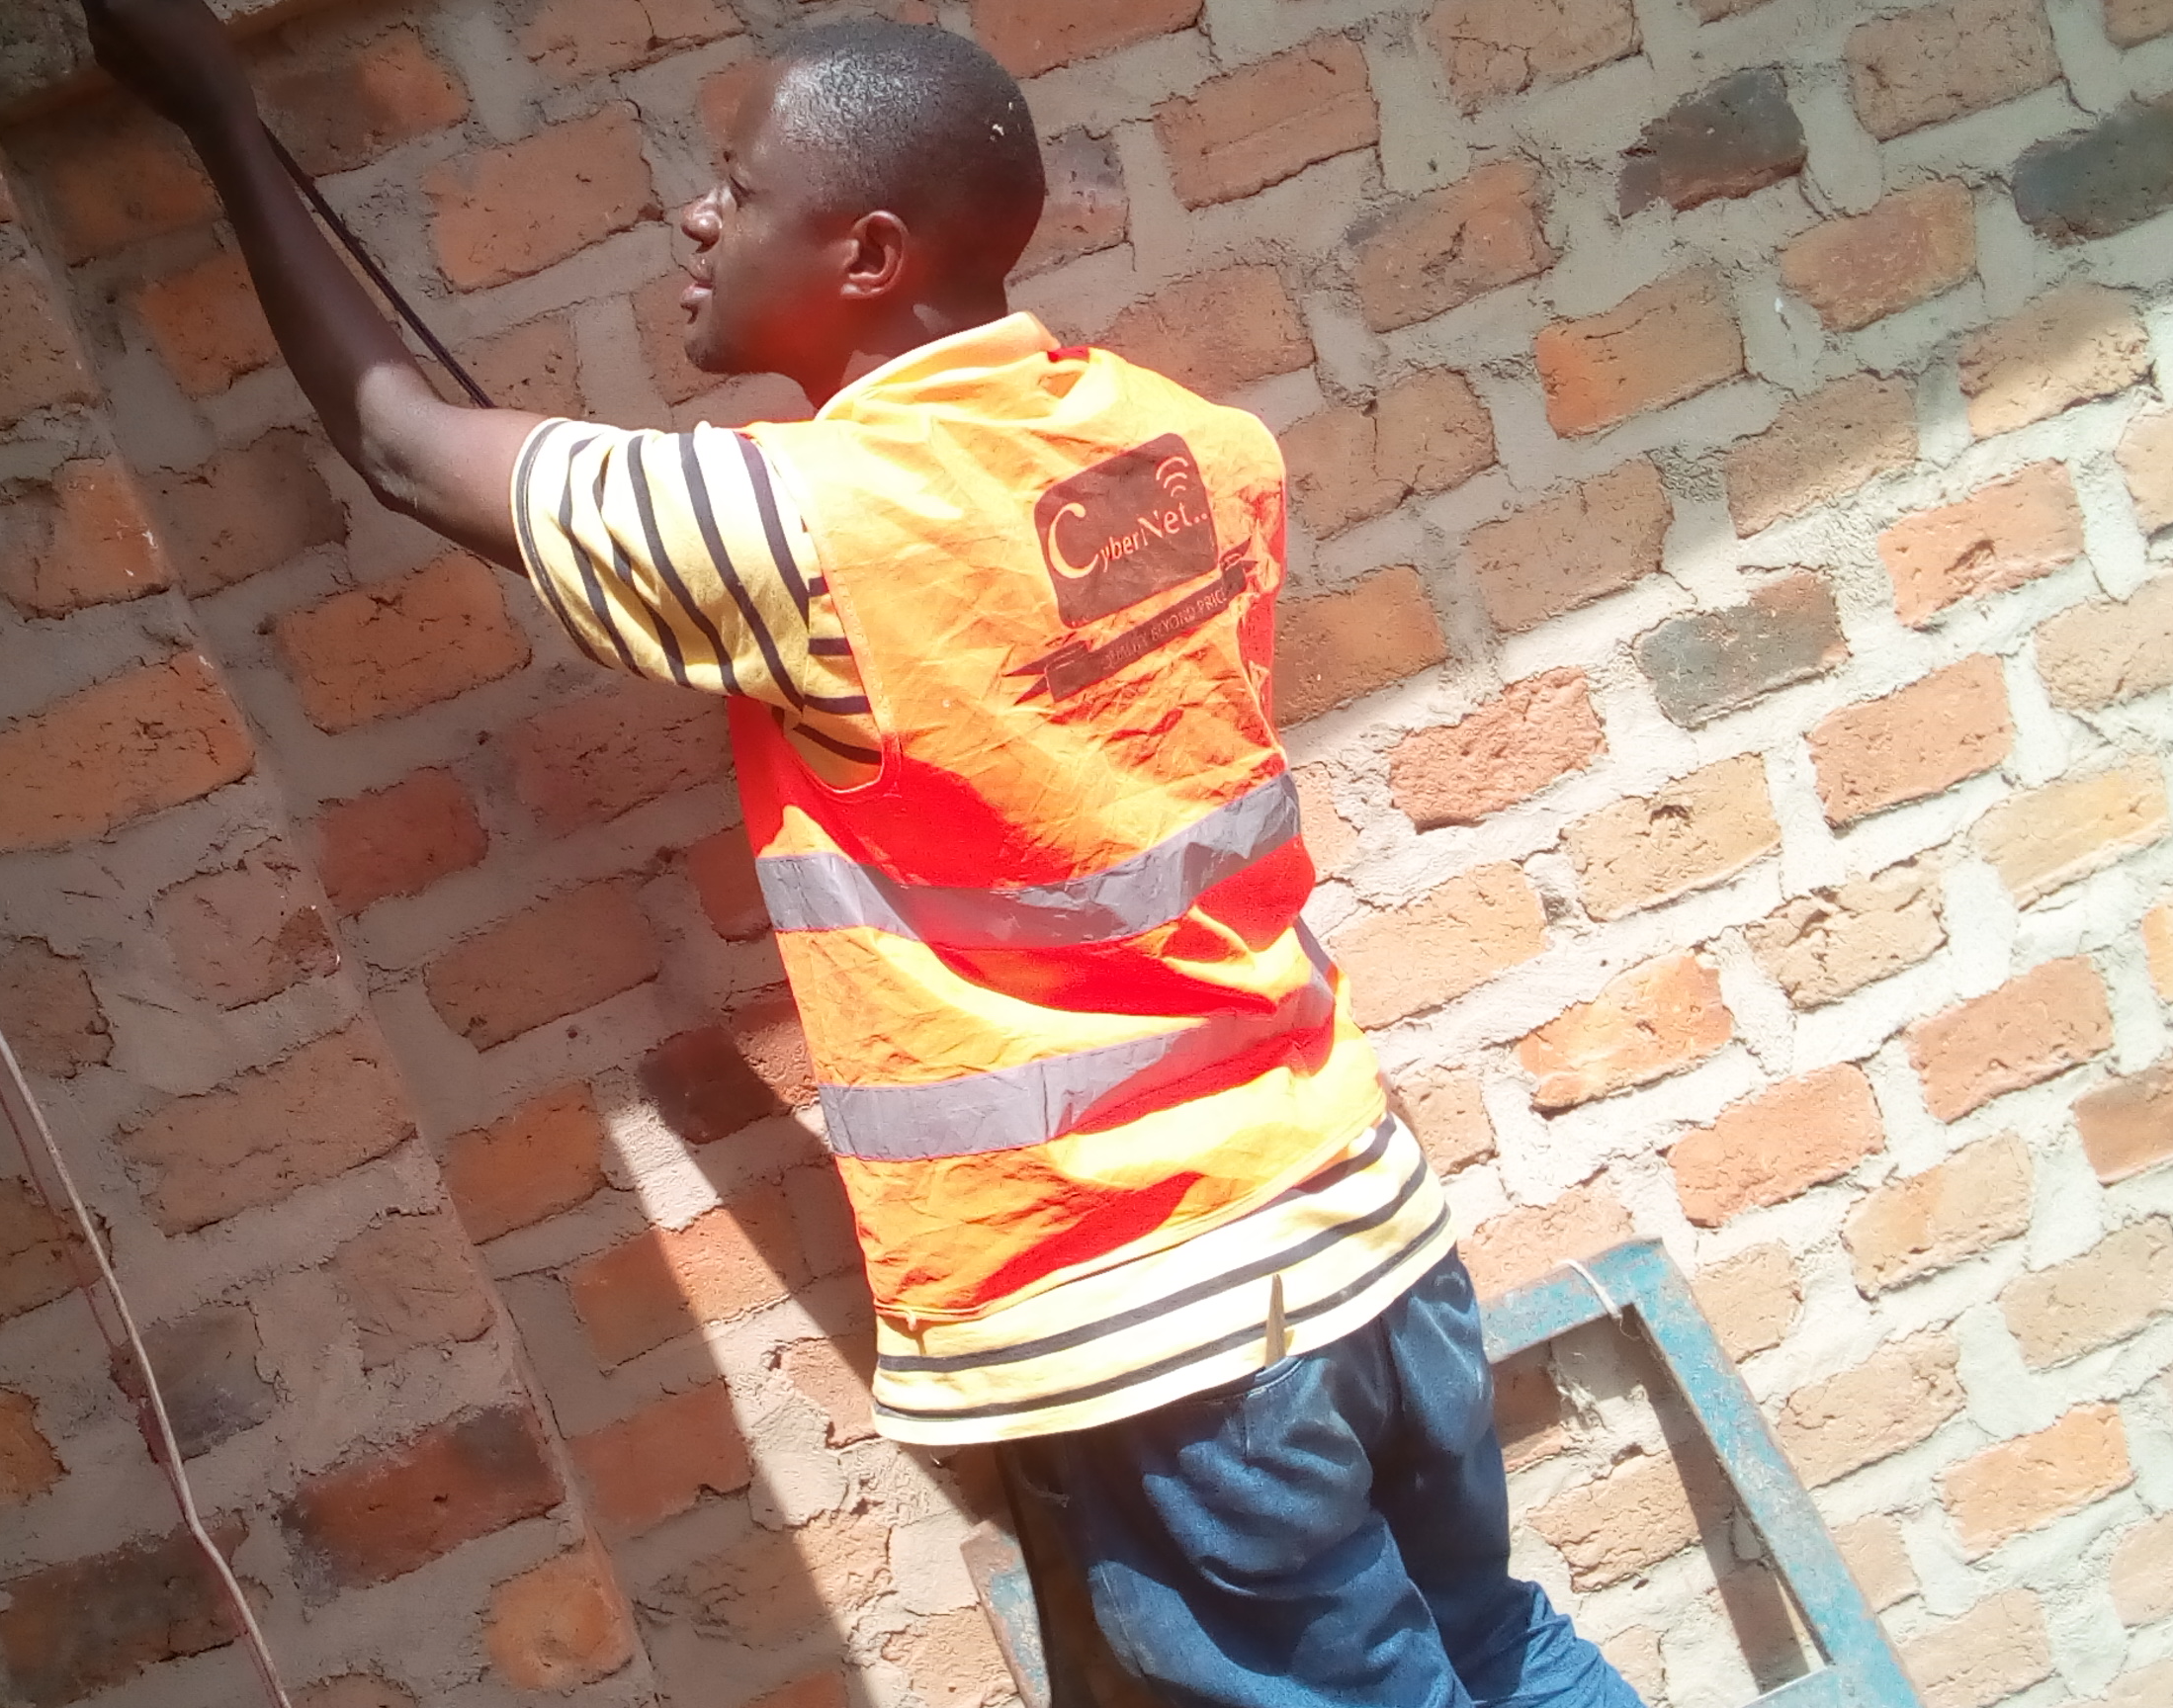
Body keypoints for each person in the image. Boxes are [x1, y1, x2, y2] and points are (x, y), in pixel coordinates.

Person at [81, 7, 1644, 1707]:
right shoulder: (1199, 449)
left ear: (872, 254)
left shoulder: (806, 526)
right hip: (1365, 1227)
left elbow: (402, 445)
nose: (693, 218)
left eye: (737, 188)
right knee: (1501, 1645)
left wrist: (216, 110)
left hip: (1164, 1323)